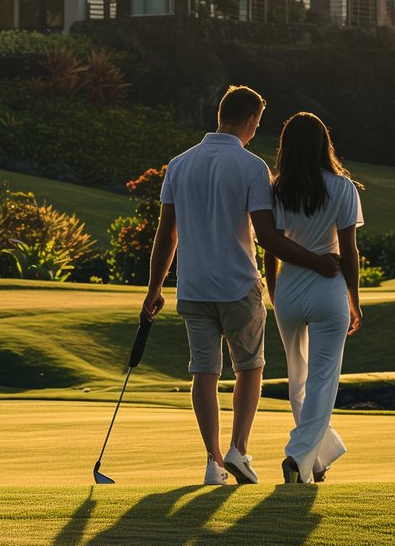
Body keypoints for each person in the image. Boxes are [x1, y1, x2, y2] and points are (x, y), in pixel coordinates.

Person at [141, 86, 342, 486]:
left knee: (204, 372)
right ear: (250, 120)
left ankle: (213, 462)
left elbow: (167, 235)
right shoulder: (251, 167)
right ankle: (239, 449)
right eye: (257, 125)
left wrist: (154, 288)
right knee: (251, 368)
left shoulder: (179, 165)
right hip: (237, 284)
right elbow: (267, 236)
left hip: (193, 287)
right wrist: (318, 262)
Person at [262, 112, 363, 485]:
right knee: (323, 379)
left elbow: (271, 248)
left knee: (298, 378)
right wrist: (354, 297)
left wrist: (274, 291)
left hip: (288, 288)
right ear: (325, 144)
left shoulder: (275, 188)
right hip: (329, 287)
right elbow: (349, 252)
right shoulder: (342, 188)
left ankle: (315, 460)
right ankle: (298, 457)